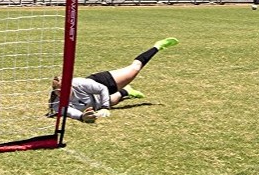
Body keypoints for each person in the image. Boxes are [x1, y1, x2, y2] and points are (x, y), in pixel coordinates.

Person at [48, 37, 179, 123]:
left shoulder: (80, 84)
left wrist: (105, 107)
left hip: (101, 83)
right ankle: (126, 92)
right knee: (115, 100)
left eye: (66, 89)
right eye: (60, 92)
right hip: (95, 102)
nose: (63, 93)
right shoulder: (56, 103)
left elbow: (102, 89)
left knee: (135, 68)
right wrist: (82, 117)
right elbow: (69, 112)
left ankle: (157, 47)